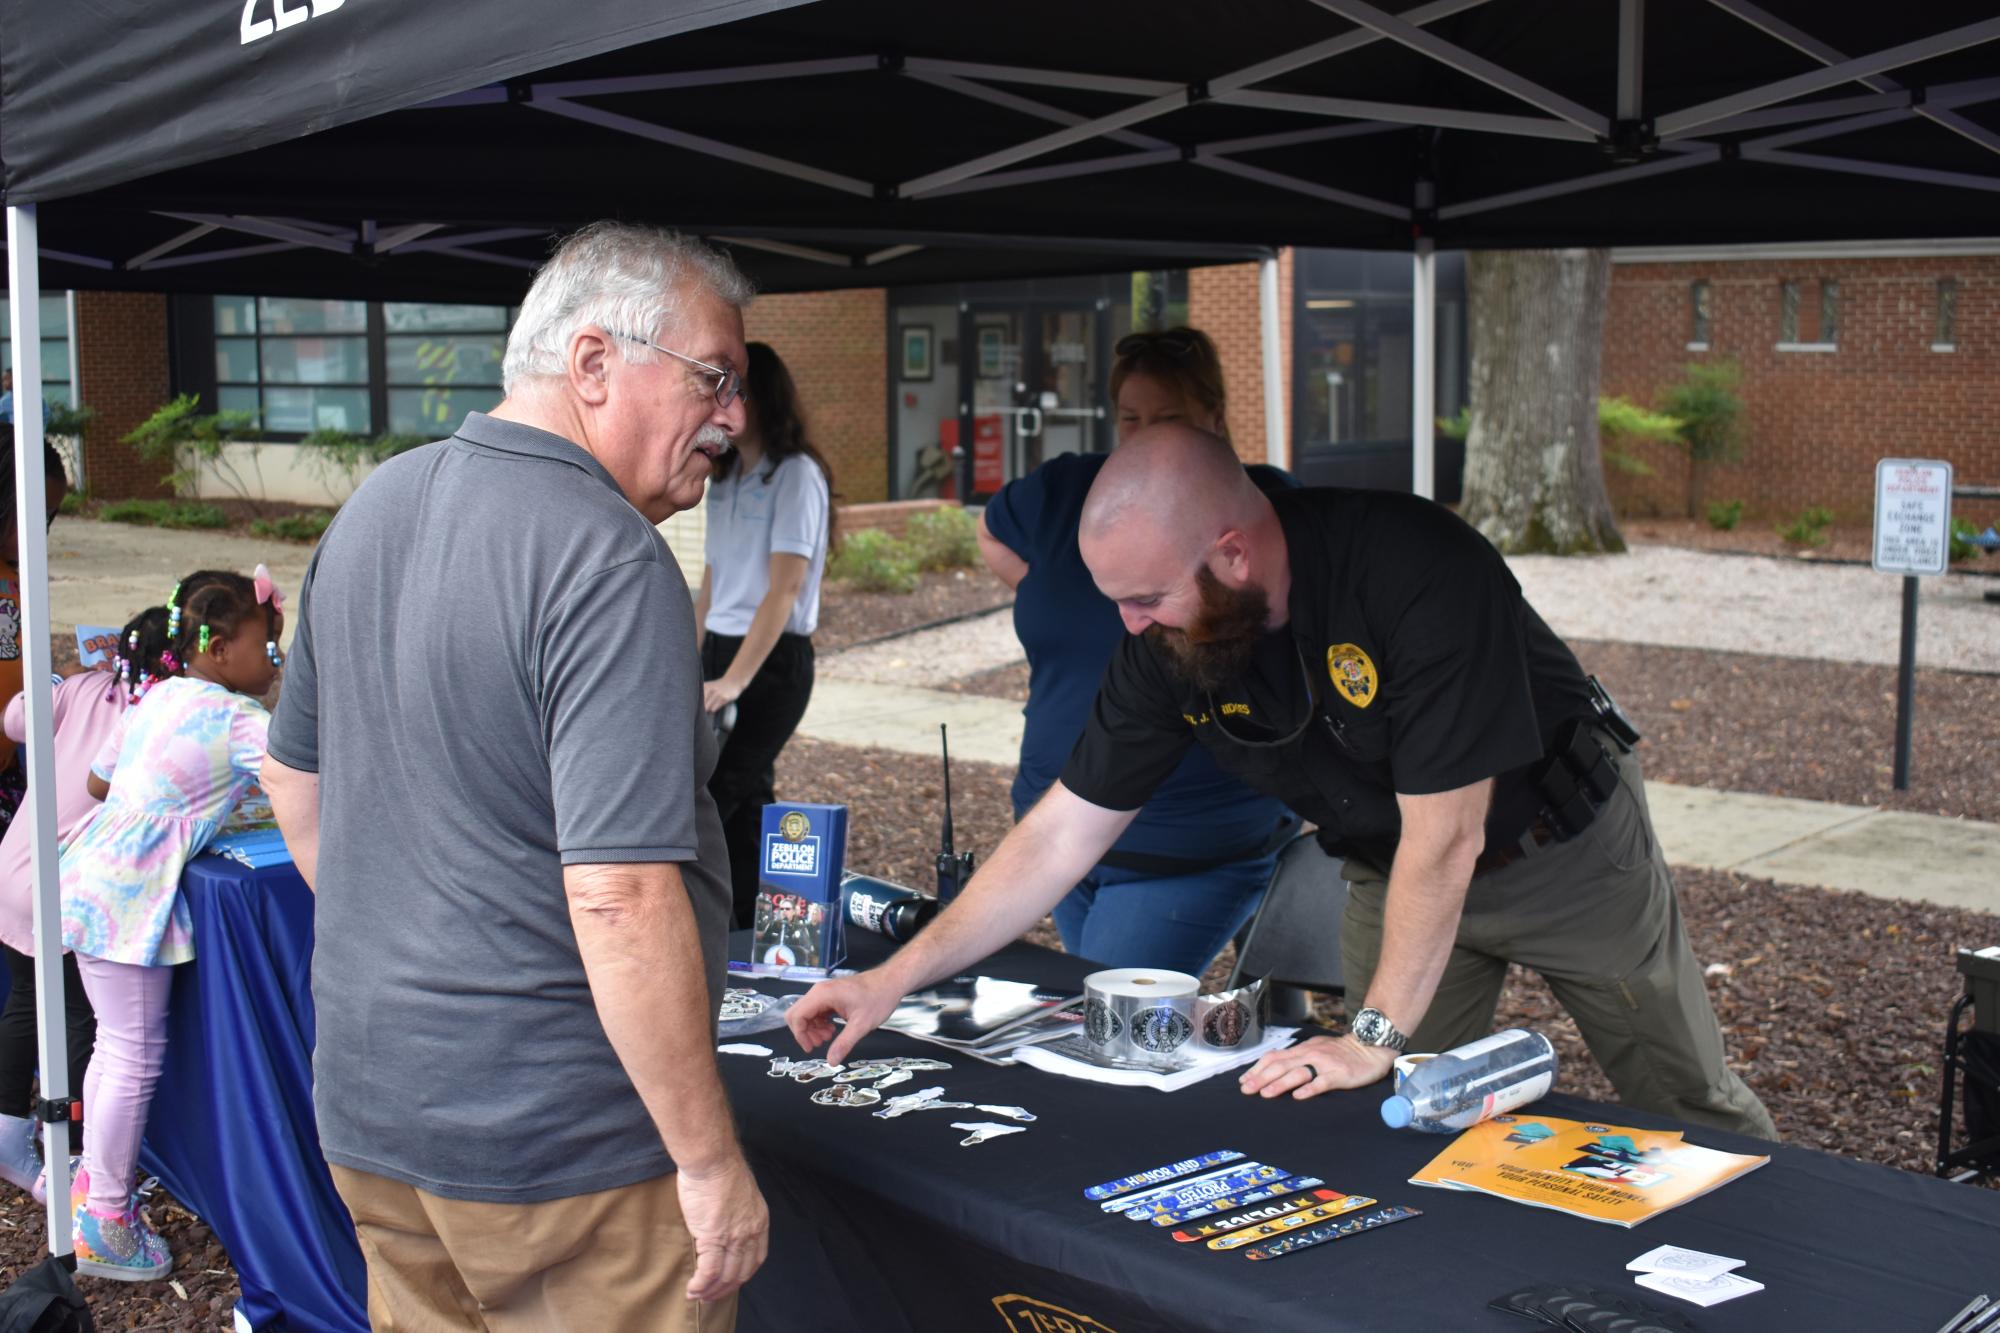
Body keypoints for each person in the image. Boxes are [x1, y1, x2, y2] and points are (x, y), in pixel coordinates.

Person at [793, 425, 1777, 1142]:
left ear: (1230, 552)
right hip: (1384, 865)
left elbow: (1449, 836)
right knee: (1379, 1117)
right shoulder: (1168, 635)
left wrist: (1373, 1031)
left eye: (1145, 598)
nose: (1129, 628)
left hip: (1559, 852)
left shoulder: (1416, 570)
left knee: (1681, 1100)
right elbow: (1060, 832)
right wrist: (889, 978)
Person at [263, 222, 768, 1331]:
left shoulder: (375, 505)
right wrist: (707, 1156)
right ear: (592, 365)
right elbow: (618, 890)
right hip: (563, 1154)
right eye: (713, 378)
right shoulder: (607, 557)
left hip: (375, 1110)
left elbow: (294, 779)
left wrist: (423, 937)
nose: (732, 415)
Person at [975, 328, 1295, 973]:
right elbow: (992, 531)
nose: (1148, 433)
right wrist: (1046, 595)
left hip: (1189, 839)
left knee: (1100, 1027)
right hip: (1057, 823)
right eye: (1131, 418)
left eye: (1169, 418)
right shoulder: (1071, 490)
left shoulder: (1261, 506)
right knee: (1090, 1012)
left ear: (1215, 415)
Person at [59, 570, 281, 1278]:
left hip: (92, 874)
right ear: (219, 649)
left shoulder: (160, 696)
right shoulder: (234, 717)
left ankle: (94, 1185)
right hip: (131, 893)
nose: (272, 663)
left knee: (110, 1047)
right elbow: (305, 770)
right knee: (135, 1052)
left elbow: (98, 780)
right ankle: (109, 1223)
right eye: (265, 649)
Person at [693, 341, 834, 927]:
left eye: (733, 389)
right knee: (748, 797)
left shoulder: (795, 476)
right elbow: (712, 578)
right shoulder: (724, 477)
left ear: (760, 396)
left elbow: (784, 591)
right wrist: (693, 657)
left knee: (721, 791)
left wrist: (734, 680)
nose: (720, 403)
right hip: (721, 653)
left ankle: (714, 923)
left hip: (770, 661)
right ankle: (756, 932)